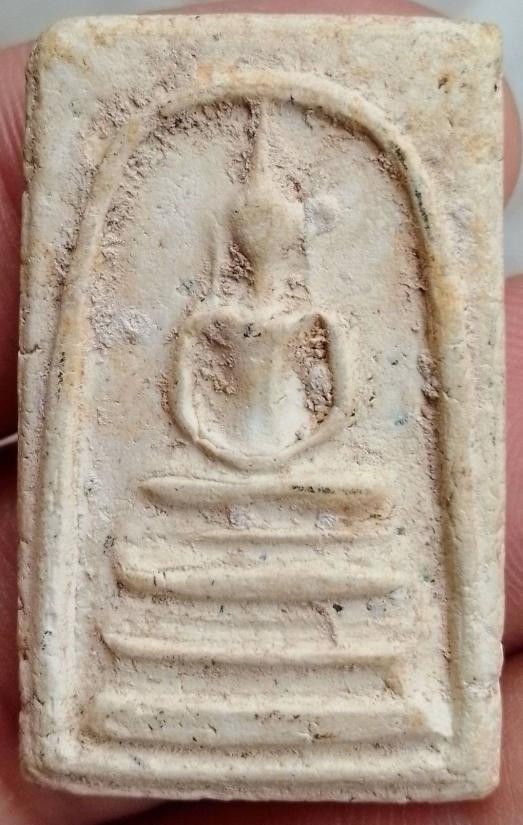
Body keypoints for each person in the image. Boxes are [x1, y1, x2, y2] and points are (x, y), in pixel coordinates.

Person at [0, 1, 521, 822]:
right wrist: (221, 449)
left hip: (288, 455)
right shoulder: (209, 313)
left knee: (352, 517)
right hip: (223, 458)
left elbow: (336, 403)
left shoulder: (313, 316)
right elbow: (184, 400)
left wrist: (290, 451)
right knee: (167, 520)